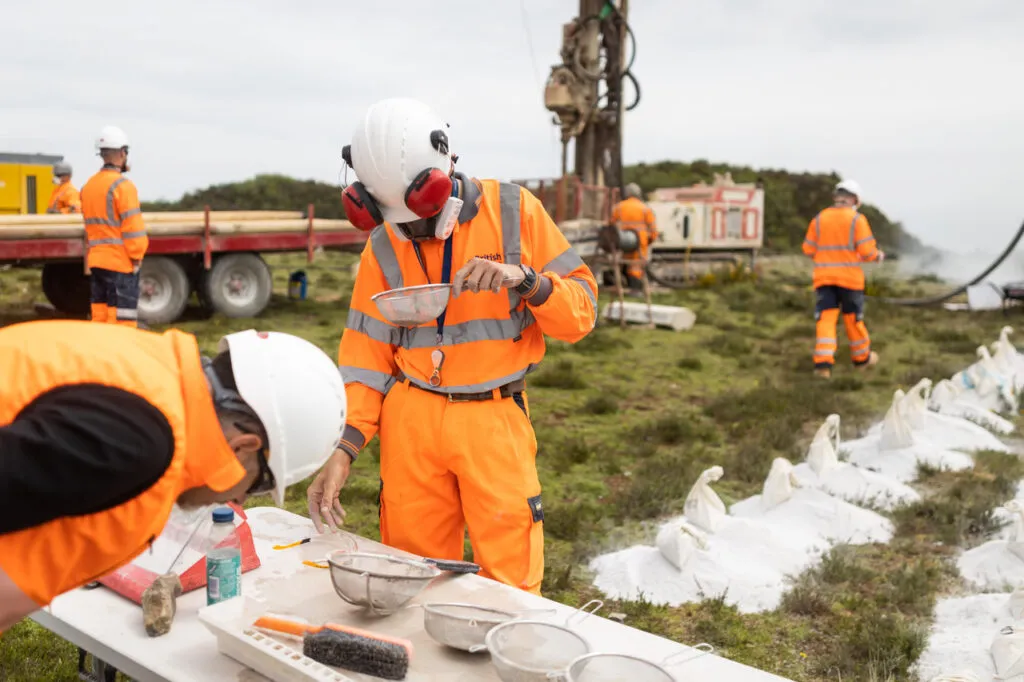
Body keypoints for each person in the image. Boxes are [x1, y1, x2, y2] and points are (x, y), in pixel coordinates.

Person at [307, 97, 598, 595]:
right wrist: (345, 447)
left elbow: (582, 312)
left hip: (494, 418)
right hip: (411, 422)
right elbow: (366, 356)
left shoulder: (516, 211)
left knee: (508, 587)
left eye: (422, 214)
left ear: (446, 170)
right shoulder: (381, 242)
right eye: (398, 219)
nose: (413, 231)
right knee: (409, 576)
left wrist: (527, 281)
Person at [0, 321, 347, 633]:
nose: (238, 501)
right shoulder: (138, 441)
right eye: (256, 486)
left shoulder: (153, 378)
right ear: (243, 446)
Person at [802, 179, 884, 378]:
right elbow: (866, 251)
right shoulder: (857, 220)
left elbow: (808, 249)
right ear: (854, 199)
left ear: (836, 197)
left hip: (824, 279)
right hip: (850, 280)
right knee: (853, 320)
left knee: (826, 320)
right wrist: (877, 256)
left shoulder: (819, 219)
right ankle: (862, 360)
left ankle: (823, 365)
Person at [81, 125, 148, 327]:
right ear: (122, 152)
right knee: (123, 324)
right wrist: (137, 257)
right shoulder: (123, 187)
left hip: (97, 262)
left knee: (100, 319)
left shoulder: (88, 187)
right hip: (120, 264)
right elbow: (133, 229)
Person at [610, 182, 658, 291]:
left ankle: (622, 286)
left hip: (623, 241)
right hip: (640, 241)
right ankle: (635, 289)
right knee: (636, 267)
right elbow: (653, 230)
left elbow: (611, 226)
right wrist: (649, 240)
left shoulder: (619, 207)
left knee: (623, 263)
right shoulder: (645, 208)